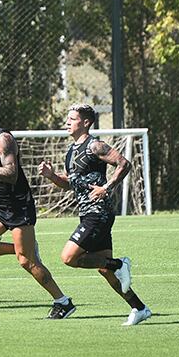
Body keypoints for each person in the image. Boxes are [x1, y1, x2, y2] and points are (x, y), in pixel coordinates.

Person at [0, 95, 74, 318]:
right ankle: (21, 248)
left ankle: (63, 301)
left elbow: (11, 174)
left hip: (19, 208)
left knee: (27, 262)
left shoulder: (4, 139)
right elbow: (1, 171)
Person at [38, 103, 152, 326]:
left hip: (98, 212)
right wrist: (52, 176)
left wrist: (106, 187)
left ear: (86, 122)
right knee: (104, 268)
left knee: (68, 257)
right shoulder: (71, 151)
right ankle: (139, 307)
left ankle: (119, 264)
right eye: (68, 118)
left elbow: (123, 163)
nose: (67, 122)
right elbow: (71, 184)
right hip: (86, 213)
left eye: (72, 119)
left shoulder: (95, 146)